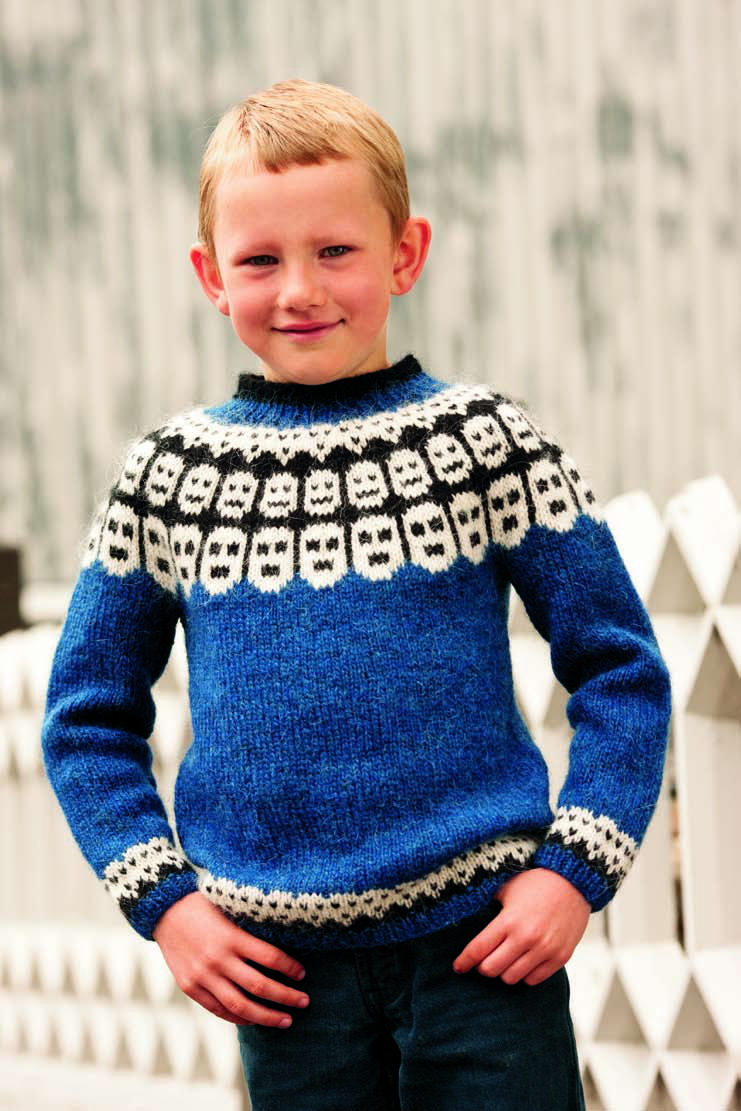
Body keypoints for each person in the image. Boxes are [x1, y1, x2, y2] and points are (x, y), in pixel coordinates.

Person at [41, 78, 672, 1110]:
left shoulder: (486, 442)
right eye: (260, 260)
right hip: (280, 977)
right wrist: (167, 905)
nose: (300, 289)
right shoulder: (169, 479)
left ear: (404, 254)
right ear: (210, 276)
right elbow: (85, 719)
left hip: (485, 948)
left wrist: (575, 868)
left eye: (335, 250)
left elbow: (621, 669)